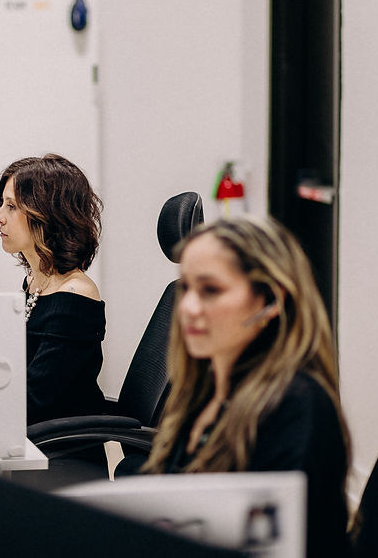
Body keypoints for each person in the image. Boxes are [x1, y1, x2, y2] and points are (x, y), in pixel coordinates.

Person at [135, 216, 351, 557]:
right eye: (186, 288)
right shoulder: (203, 391)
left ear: (269, 301)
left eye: (211, 290)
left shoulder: (295, 405)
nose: (188, 307)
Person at [0, 154, 106, 425]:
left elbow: (33, 400)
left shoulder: (74, 298)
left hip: (60, 449)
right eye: (2, 205)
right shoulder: (37, 282)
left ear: (46, 214)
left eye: (11, 207)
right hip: (32, 439)